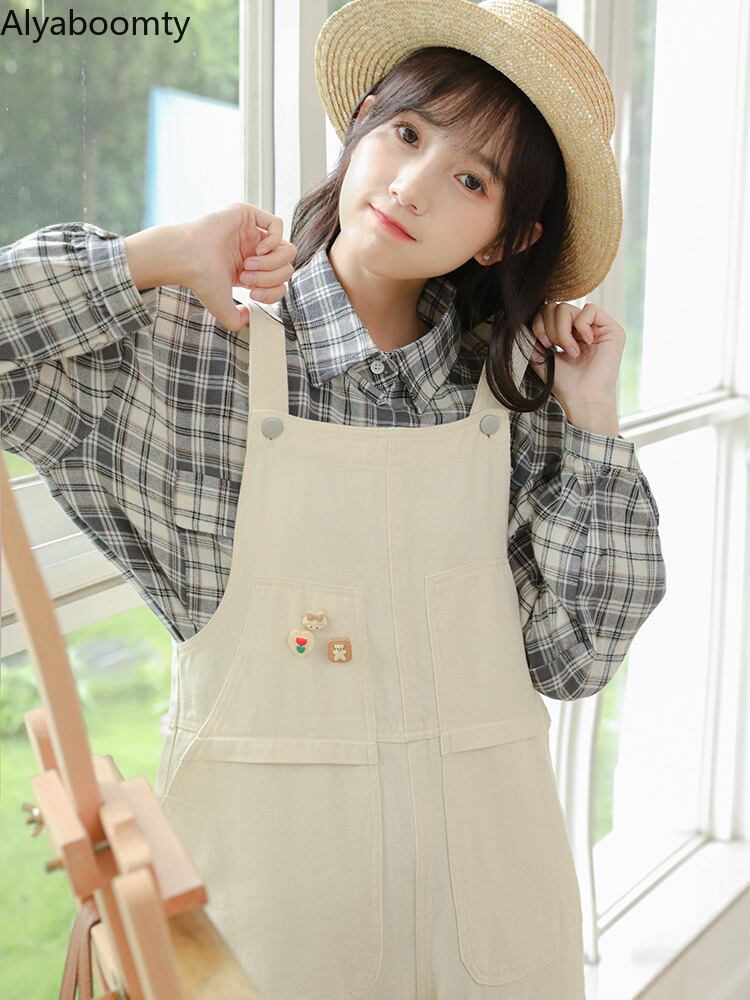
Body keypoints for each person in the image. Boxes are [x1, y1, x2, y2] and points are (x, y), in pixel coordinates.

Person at [0, 1, 666, 997]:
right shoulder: (194, 357)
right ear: (359, 125)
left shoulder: (512, 400)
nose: (412, 184)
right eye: (408, 132)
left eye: (472, 179)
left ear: (505, 238)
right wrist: (153, 255)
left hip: (493, 928)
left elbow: (577, 659)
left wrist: (594, 420)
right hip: (269, 944)